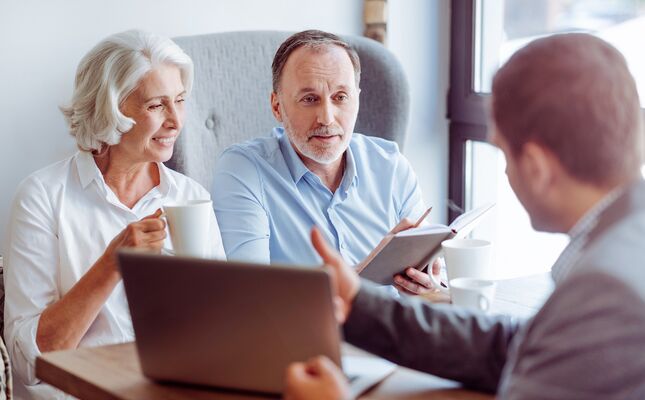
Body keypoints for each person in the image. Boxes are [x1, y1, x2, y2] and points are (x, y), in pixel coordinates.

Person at [284, 33, 645, 399]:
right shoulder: (627, 239)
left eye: (503, 154)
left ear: (536, 167)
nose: (505, 173)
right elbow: (516, 347)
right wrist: (360, 305)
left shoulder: (605, 290)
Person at [4, 30, 225, 399]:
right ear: (111, 109)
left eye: (181, 101)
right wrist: (112, 264)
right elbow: (28, 363)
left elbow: (223, 330)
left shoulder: (191, 198)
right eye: (157, 105)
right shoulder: (43, 197)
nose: (176, 121)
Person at [212, 30, 434, 295]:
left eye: (340, 97)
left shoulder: (391, 166)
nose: (327, 118)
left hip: (394, 332)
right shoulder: (243, 170)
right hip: (299, 336)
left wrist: (426, 280)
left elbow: (429, 284)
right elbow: (251, 297)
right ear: (277, 107)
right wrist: (372, 270)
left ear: (357, 99)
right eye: (309, 99)